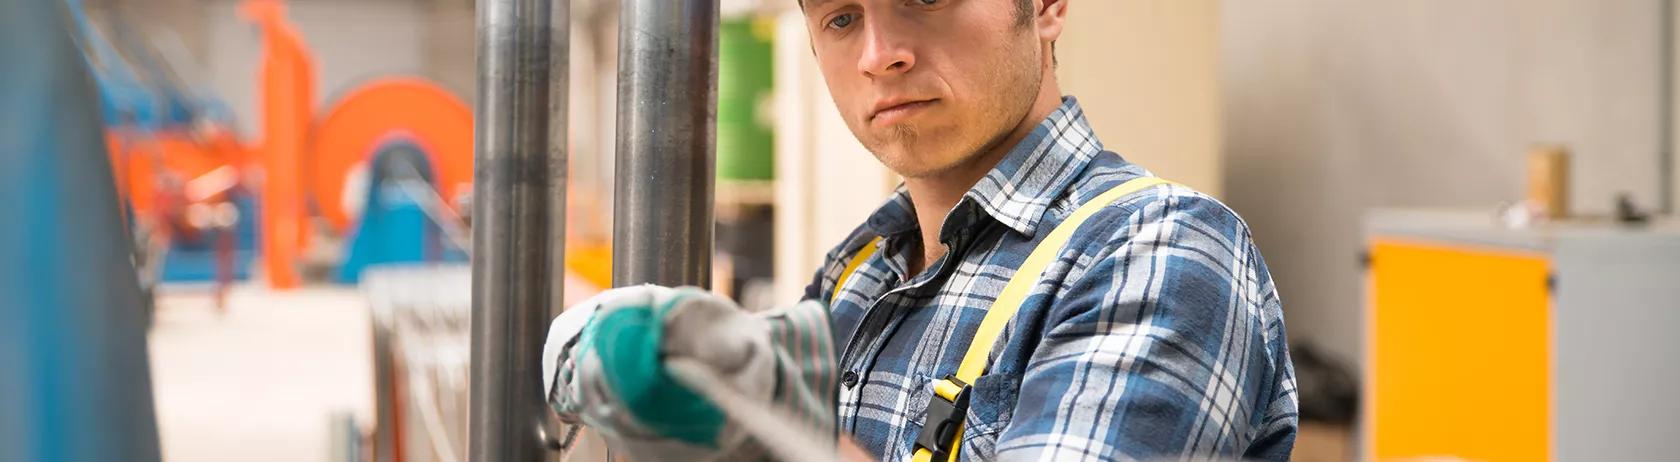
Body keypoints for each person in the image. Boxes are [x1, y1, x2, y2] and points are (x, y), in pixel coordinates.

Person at [543, 0, 1298, 460]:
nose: (880, 55)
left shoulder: (1161, 254)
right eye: (842, 18)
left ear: (1045, 4)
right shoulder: (864, 270)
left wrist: (756, 427)